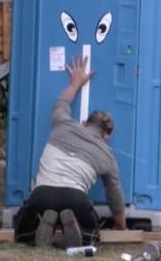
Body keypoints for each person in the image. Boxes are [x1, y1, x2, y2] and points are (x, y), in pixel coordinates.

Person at [14, 56, 126, 248]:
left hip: (42, 193)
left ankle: (38, 229)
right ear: (106, 135)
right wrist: (120, 225)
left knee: (21, 234)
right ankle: (78, 229)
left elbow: (61, 102)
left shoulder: (62, 123)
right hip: (76, 198)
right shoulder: (107, 155)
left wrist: (76, 82)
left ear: (84, 123)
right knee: (92, 238)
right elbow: (114, 195)